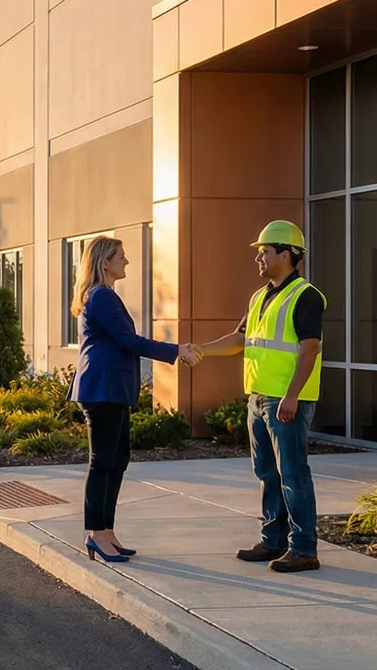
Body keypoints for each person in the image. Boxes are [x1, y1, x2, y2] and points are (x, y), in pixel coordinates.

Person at [191, 220, 325, 572]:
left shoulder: (306, 296)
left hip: (286, 401)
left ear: (286, 253)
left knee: (293, 474)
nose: (259, 259)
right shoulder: (260, 295)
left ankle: (304, 549)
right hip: (258, 397)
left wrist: (292, 396)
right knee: (267, 472)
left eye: (265, 252)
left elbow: (310, 349)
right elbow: (240, 340)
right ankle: (273, 541)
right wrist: (200, 350)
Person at [69, 235, 197, 563]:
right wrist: (176, 351)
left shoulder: (105, 296)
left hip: (111, 390)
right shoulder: (100, 297)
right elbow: (128, 340)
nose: (126, 262)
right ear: (105, 262)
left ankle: (106, 532)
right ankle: (95, 534)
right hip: (102, 389)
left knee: (118, 459)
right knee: (103, 463)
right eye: (121, 257)